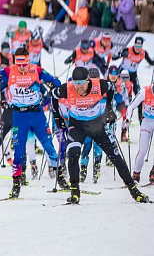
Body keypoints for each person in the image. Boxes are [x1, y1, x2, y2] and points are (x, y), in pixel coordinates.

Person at [53, 67, 148, 204]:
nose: (78, 86)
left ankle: (134, 190)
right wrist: (57, 117)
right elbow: (53, 95)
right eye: (76, 82)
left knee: (115, 156)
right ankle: (74, 192)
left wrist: (109, 109)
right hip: (77, 126)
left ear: (88, 80)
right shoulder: (67, 88)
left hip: (96, 126)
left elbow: (111, 88)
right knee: (73, 154)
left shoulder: (100, 85)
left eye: (81, 82)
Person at [0, 48, 64, 199]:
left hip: (36, 114)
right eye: (19, 65)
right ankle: (16, 184)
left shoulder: (37, 70)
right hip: (19, 116)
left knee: (48, 145)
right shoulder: (9, 71)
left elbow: (55, 80)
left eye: (24, 64)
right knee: (19, 151)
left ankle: (60, 177)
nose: (21, 68)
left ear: (28, 61)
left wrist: (54, 85)